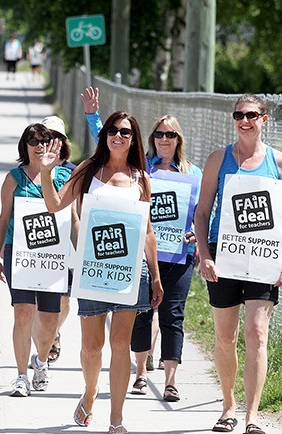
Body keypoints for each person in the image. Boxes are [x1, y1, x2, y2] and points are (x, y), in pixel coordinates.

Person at [39, 111, 163, 434]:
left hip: (130, 272)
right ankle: (90, 393)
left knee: (120, 341)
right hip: (93, 270)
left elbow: (148, 232)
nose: (117, 136)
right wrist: (46, 172)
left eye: (124, 132)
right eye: (112, 130)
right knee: (92, 345)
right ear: (105, 134)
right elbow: (54, 205)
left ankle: (117, 417)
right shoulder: (88, 170)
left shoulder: (141, 179)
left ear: (134, 139)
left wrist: (156, 276)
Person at [80, 87, 201, 402]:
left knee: (173, 314)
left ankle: (171, 380)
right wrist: (93, 115)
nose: (164, 139)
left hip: (176, 255)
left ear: (179, 140)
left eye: (170, 134)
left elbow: (203, 211)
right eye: (159, 133)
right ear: (151, 138)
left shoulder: (192, 175)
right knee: (143, 317)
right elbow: (111, 142)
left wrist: (197, 236)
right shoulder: (140, 170)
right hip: (137, 258)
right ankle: (141, 371)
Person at [194, 94, 282, 434]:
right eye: (239, 114)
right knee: (225, 337)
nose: (245, 120)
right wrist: (205, 254)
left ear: (264, 119)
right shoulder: (218, 159)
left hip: (263, 256)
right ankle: (228, 405)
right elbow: (202, 212)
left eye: (252, 114)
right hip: (226, 255)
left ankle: (253, 416)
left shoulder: (279, 163)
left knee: (257, 332)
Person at [0, 123, 73, 397]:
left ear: (54, 145)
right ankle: (21, 376)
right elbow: (4, 218)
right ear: (24, 146)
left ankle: (40, 361)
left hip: (53, 255)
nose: (39, 146)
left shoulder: (64, 176)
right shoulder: (13, 179)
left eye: (45, 141)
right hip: (20, 253)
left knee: (50, 320)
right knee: (23, 312)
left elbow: (71, 215)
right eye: (34, 141)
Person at [40, 116, 77, 364]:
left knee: (64, 302)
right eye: (45, 137)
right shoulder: (31, 167)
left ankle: (53, 334)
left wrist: (82, 247)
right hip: (37, 244)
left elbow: (76, 213)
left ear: (63, 142)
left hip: (65, 247)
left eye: (56, 137)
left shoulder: (73, 172)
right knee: (38, 304)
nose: (51, 142)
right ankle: (43, 345)